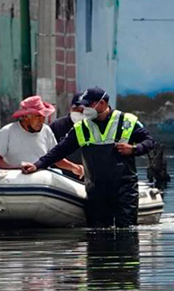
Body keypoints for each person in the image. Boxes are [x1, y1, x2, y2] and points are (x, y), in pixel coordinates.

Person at [21, 87, 155, 227]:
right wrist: (37, 165)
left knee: (127, 232)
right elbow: (59, 150)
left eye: (88, 105)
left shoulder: (126, 121)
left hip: (124, 187)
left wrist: (134, 149)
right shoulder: (82, 127)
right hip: (96, 189)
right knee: (98, 235)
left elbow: (149, 142)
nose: (84, 109)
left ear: (102, 103)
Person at [0, 95, 83, 177]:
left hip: (42, 180)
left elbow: (56, 158)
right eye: (38, 117)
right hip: (15, 179)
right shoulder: (7, 131)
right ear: (26, 117)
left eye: (43, 117)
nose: (42, 121)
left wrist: (74, 167)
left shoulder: (46, 130)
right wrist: (14, 169)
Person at [48, 95, 85, 167]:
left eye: (82, 110)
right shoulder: (57, 126)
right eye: (75, 109)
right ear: (70, 109)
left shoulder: (94, 126)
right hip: (62, 175)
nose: (78, 113)